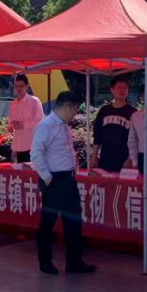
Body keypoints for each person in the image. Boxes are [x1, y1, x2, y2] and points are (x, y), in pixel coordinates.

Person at [32, 91, 94, 275]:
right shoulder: (46, 125)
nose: (75, 113)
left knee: (73, 221)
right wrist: (47, 177)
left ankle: (74, 261)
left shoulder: (64, 126)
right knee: (48, 222)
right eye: (75, 109)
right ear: (67, 106)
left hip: (68, 179)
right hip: (54, 179)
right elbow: (36, 153)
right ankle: (45, 261)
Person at [90, 76, 135, 173]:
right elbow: (97, 135)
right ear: (112, 90)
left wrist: (130, 158)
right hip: (105, 157)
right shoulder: (104, 111)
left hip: (124, 158)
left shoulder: (133, 113)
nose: (122, 90)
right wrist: (94, 155)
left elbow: (137, 139)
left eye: (125, 88)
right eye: (119, 87)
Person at [8, 74, 44, 163]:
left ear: (27, 86)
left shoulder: (34, 101)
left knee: (31, 170)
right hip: (18, 145)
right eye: (16, 86)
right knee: (19, 170)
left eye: (21, 86)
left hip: (32, 145)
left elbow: (40, 121)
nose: (18, 89)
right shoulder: (13, 104)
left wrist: (24, 125)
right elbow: (10, 122)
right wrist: (10, 127)